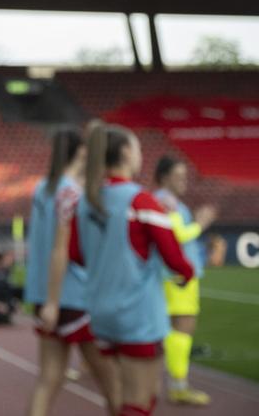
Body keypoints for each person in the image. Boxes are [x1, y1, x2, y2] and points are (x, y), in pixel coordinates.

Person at [74, 123, 196, 416]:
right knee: (140, 401)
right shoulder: (141, 200)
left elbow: (76, 255)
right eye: (138, 147)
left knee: (122, 400)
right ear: (128, 153)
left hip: (100, 311)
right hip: (137, 315)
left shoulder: (86, 202)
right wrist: (187, 274)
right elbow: (174, 256)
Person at [25, 127, 116, 416]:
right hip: (73, 296)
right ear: (80, 152)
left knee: (49, 378)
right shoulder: (71, 193)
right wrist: (55, 300)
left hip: (43, 292)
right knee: (113, 383)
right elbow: (60, 249)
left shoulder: (42, 188)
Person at [153, 156, 217, 406]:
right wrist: (200, 224)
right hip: (178, 276)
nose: (184, 182)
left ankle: (173, 383)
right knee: (182, 329)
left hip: (172, 274)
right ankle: (178, 387)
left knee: (172, 331)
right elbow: (176, 235)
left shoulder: (166, 201)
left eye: (185, 176)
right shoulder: (166, 201)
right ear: (164, 177)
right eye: (179, 176)